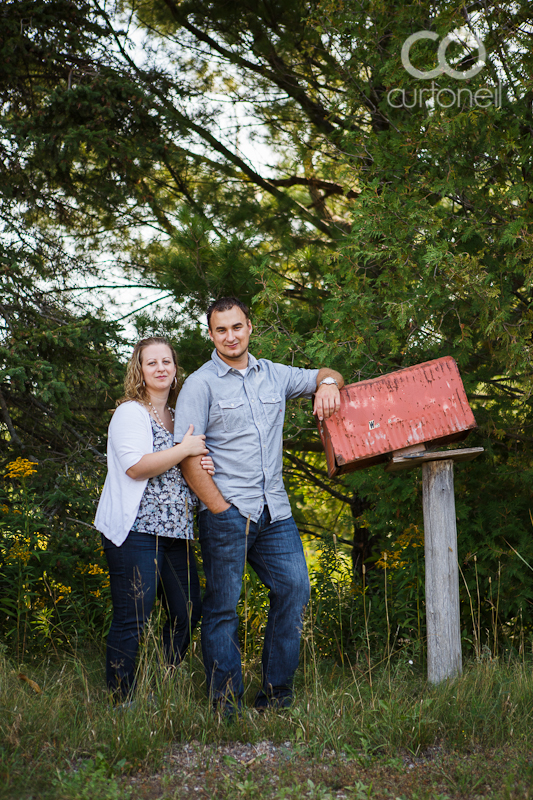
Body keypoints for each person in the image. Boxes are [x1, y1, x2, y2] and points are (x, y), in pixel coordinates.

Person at [174, 297, 344, 711]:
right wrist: (219, 509)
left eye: (236, 327)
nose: (230, 336)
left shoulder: (275, 375)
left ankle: (276, 695)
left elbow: (328, 372)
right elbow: (186, 456)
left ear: (250, 327)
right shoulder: (200, 384)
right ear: (210, 334)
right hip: (228, 512)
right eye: (221, 329)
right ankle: (225, 702)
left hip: (276, 513)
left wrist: (328, 385)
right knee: (223, 608)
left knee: (294, 589)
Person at [95, 336, 214, 701]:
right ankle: (120, 697)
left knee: (188, 609)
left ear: (175, 369)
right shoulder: (130, 412)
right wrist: (184, 451)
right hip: (136, 531)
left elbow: (184, 469)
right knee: (134, 614)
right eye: (152, 363)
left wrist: (202, 464)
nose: (161, 368)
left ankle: (161, 677)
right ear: (140, 370)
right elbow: (135, 467)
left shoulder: (180, 418)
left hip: (176, 532)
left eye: (167, 362)